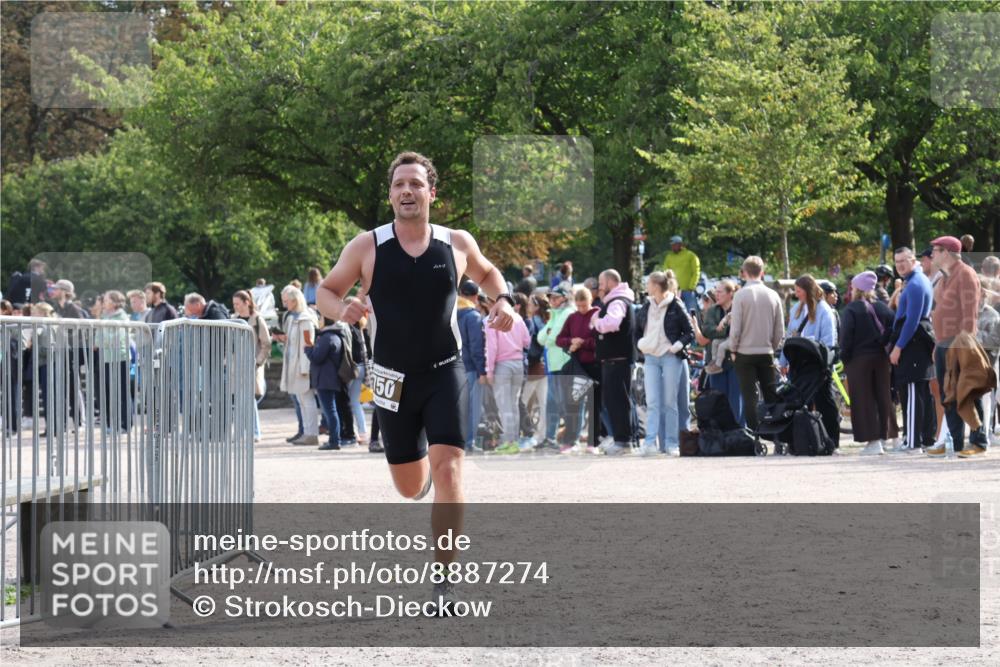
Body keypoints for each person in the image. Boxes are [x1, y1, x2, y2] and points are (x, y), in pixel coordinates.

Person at [315, 151, 515, 610]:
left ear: (431, 192)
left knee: (451, 469)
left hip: (446, 371)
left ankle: (445, 583)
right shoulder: (367, 246)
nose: (407, 191)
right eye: (399, 184)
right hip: (391, 378)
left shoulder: (456, 242)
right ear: (390, 194)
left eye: (416, 184)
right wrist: (339, 309)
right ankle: (419, 472)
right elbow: (327, 291)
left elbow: (487, 274)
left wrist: (501, 300)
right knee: (409, 487)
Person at [927, 236, 989, 458]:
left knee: (968, 391)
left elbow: (969, 314)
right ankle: (955, 440)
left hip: (959, 343)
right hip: (944, 343)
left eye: (936, 250)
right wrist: (937, 344)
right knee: (949, 394)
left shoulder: (965, 275)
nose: (932, 254)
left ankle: (978, 440)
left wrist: (964, 348)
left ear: (947, 252)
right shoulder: (945, 277)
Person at [635, 270, 693, 456]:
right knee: (652, 401)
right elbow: (637, 328)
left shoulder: (676, 305)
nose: (646, 286)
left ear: (656, 286)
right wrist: (640, 344)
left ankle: (671, 443)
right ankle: (650, 443)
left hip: (670, 357)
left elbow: (689, 332)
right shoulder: (647, 305)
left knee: (670, 402)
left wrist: (676, 346)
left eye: (649, 283)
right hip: (651, 358)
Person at [887, 247, 937, 453]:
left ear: (912, 260)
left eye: (903, 261)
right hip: (916, 343)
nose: (900, 265)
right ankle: (923, 439)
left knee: (913, 392)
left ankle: (913, 442)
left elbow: (912, 321)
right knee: (921, 393)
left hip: (913, 343)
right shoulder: (915, 280)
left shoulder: (916, 283)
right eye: (897, 262)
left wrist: (898, 347)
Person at [840, 272, 896, 455]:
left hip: (858, 359)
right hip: (881, 358)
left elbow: (846, 337)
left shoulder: (851, 309)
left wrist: (844, 357)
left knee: (863, 399)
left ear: (857, 288)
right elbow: (894, 328)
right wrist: (882, 343)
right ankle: (885, 437)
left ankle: (872, 442)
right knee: (883, 397)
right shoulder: (883, 308)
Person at [780, 274, 840, 444]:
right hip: (800, 363)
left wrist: (825, 361)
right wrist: (783, 361)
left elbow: (829, 339)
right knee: (800, 401)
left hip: (818, 363)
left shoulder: (824, 310)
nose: (796, 293)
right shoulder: (796, 310)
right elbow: (789, 337)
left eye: (799, 290)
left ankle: (831, 440)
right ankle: (803, 440)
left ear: (807, 291)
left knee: (824, 402)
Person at [728, 256, 785, 432]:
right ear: (763, 273)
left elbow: (736, 327)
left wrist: (733, 348)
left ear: (744, 273)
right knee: (771, 394)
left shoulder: (740, 295)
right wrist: (772, 347)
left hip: (744, 353)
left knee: (749, 396)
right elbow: (779, 329)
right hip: (766, 350)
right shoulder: (773, 295)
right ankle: (776, 432)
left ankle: (755, 433)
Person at [590, 269, 637, 455]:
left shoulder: (617, 302)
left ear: (610, 283)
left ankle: (624, 442)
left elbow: (612, 323)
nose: (599, 288)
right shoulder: (615, 301)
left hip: (618, 361)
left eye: (601, 283)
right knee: (614, 400)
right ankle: (621, 440)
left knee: (618, 401)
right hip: (613, 361)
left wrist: (596, 323)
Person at [694, 279, 744, 426]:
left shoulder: (740, 309)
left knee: (737, 400)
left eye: (720, 291)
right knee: (718, 400)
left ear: (730, 294)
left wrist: (721, 331)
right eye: (716, 290)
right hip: (715, 362)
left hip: (736, 361)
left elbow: (741, 332)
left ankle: (740, 434)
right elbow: (708, 331)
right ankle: (721, 436)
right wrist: (727, 333)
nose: (716, 294)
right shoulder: (712, 311)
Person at [486, 293, 531, 453]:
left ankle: (509, 441)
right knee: (513, 404)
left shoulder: (491, 319)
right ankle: (515, 442)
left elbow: (492, 347)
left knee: (504, 406)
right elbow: (527, 341)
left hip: (502, 365)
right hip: (518, 363)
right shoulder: (517, 318)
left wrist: (489, 371)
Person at [557, 286, 600, 452]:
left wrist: (583, 342)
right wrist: (571, 341)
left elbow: (599, 341)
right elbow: (560, 339)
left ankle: (593, 442)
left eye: (585, 305)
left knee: (595, 404)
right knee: (573, 404)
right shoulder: (572, 317)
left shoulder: (596, 315)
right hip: (578, 365)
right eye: (579, 306)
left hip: (594, 364)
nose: (582, 309)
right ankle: (571, 440)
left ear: (590, 302)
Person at [278, 285, 320, 446]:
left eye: (286, 301)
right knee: (302, 399)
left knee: (307, 399)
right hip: (293, 364)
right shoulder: (292, 318)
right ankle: (307, 433)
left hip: (301, 366)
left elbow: (307, 345)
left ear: (295, 301)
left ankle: (311, 433)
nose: (284, 304)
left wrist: (305, 368)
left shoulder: (305, 319)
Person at [536, 284, 573, 450]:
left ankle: (569, 439)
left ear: (564, 298)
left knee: (565, 404)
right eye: (550, 297)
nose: (551, 300)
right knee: (552, 403)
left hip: (564, 363)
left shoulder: (567, 312)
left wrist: (549, 334)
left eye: (555, 297)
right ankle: (550, 438)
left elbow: (553, 337)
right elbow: (540, 338)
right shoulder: (555, 314)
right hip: (553, 364)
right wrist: (550, 334)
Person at [233, 290, 272, 443]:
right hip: (236, 365)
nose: (235, 306)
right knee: (239, 399)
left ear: (246, 302)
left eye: (237, 303)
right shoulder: (234, 319)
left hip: (252, 364)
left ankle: (255, 432)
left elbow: (266, 343)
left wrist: (258, 362)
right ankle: (241, 432)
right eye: (234, 304)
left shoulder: (257, 319)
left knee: (249, 398)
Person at [305, 312, 344, 451]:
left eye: (320, 318)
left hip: (325, 379)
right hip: (329, 378)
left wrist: (308, 348)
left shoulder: (327, 337)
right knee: (331, 411)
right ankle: (335, 439)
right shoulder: (334, 336)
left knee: (330, 411)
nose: (319, 321)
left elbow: (316, 357)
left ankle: (334, 441)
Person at [457, 280, 487, 452]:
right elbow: (477, 347)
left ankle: (459, 441)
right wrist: (482, 370)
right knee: (473, 407)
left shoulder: (451, 313)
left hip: (454, 367)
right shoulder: (473, 316)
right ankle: (469, 442)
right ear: (475, 296)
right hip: (470, 367)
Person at [97, 291, 131, 433]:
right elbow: (98, 338)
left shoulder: (122, 317)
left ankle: (124, 424)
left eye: (106, 300)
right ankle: (109, 424)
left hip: (120, 358)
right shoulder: (104, 316)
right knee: (107, 393)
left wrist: (102, 341)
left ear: (115, 302)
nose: (103, 302)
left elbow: (118, 337)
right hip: (106, 358)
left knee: (121, 392)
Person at [520, 293, 550, 449]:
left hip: (533, 368)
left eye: (531, 303)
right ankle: (542, 436)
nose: (529, 306)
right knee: (543, 404)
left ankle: (530, 435)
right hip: (543, 367)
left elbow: (533, 345)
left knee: (522, 404)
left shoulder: (534, 321)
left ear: (536, 306)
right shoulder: (545, 320)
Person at [661, 235, 701, 312]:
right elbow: (665, 272)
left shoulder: (691, 255)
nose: (672, 247)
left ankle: (694, 323)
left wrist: (691, 286)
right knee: (674, 312)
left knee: (691, 311)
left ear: (680, 244)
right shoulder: (669, 257)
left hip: (688, 290)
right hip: (673, 291)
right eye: (671, 245)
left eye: (674, 245)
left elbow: (696, 271)